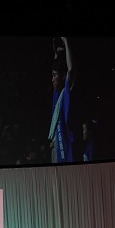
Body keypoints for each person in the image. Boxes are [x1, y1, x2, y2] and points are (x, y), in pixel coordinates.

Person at [49, 36, 75, 164]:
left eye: (54, 76)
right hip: (54, 144)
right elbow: (57, 66)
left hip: (63, 142)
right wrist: (56, 53)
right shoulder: (56, 94)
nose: (52, 79)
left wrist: (66, 41)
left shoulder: (65, 92)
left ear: (62, 76)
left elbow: (70, 70)